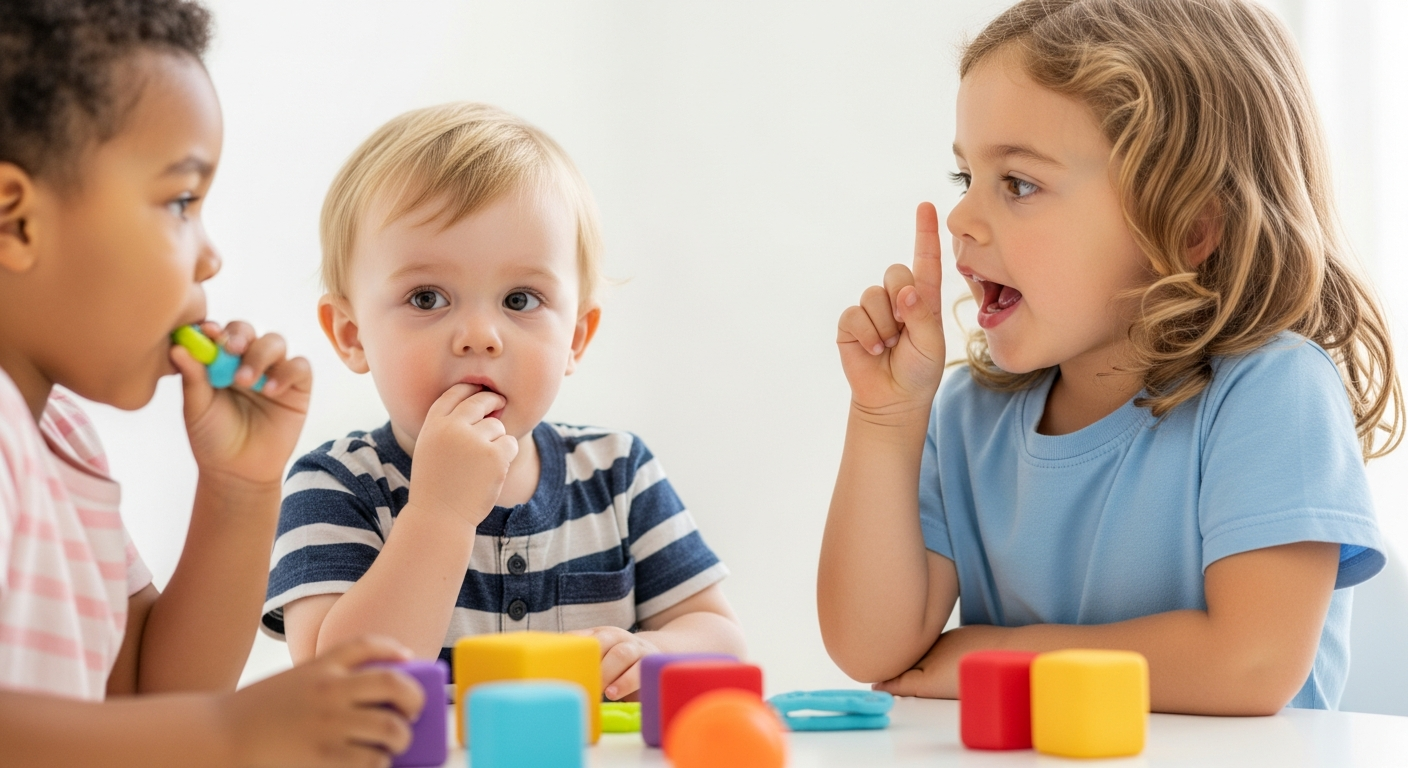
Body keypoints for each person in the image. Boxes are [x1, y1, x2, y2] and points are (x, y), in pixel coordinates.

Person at [818, 0, 1397, 714]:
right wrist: (885, 419)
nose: (962, 221)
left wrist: (999, 660)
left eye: (1019, 183)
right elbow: (871, 649)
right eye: (965, 179)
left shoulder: (1272, 391)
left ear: (1188, 227)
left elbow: (1249, 665)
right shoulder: (971, 417)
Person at [0, 2, 426, 766]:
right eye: (180, 202)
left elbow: (144, 704)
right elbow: (186, 729)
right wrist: (233, 734)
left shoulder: (58, 441)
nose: (209, 259)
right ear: (14, 223)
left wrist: (239, 486)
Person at [263, 102, 745, 702]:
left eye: (520, 300)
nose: (479, 335)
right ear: (351, 333)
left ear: (575, 337)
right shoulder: (335, 487)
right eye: (427, 297)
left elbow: (720, 637)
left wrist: (652, 653)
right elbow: (336, 686)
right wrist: (440, 512)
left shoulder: (618, 473)